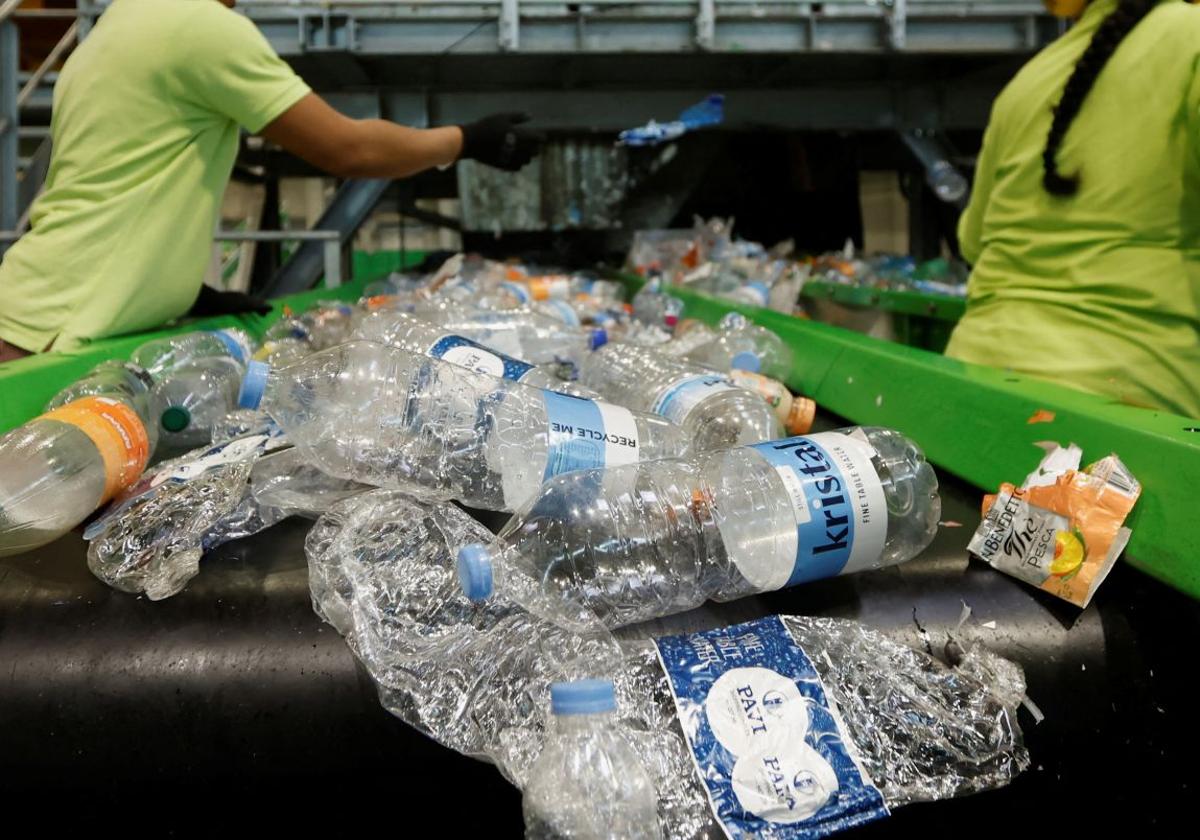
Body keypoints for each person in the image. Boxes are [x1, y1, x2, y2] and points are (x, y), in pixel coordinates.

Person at [0, 0, 541, 362]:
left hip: (37, 306)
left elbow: (119, 179)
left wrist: (179, 287)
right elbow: (348, 149)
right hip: (53, 333)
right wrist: (465, 141)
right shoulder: (196, 24)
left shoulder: (115, 26)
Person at [946, 0, 1200, 418]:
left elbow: (972, 242)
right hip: (1131, 408)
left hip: (974, 380)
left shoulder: (1028, 80)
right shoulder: (1190, 38)